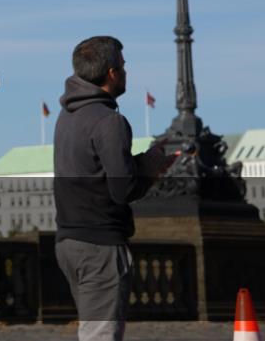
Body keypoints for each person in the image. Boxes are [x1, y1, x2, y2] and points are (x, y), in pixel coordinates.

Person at [53, 36, 174, 341]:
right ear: (111, 72)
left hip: (68, 241)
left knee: (92, 330)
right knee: (100, 335)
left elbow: (94, 171)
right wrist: (152, 167)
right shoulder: (110, 121)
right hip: (100, 245)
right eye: (123, 66)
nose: (125, 72)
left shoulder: (66, 116)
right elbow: (123, 189)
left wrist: (143, 161)